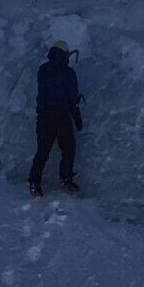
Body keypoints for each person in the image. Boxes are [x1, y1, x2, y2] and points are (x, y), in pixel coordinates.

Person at [29, 40, 82, 195]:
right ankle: (66, 179)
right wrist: (77, 118)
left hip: (44, 116)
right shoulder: (69, 73)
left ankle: (34, 183)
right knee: (68, 148)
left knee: (43, 151)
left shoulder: (43, 69)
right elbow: (72, 99)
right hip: (61, 116)